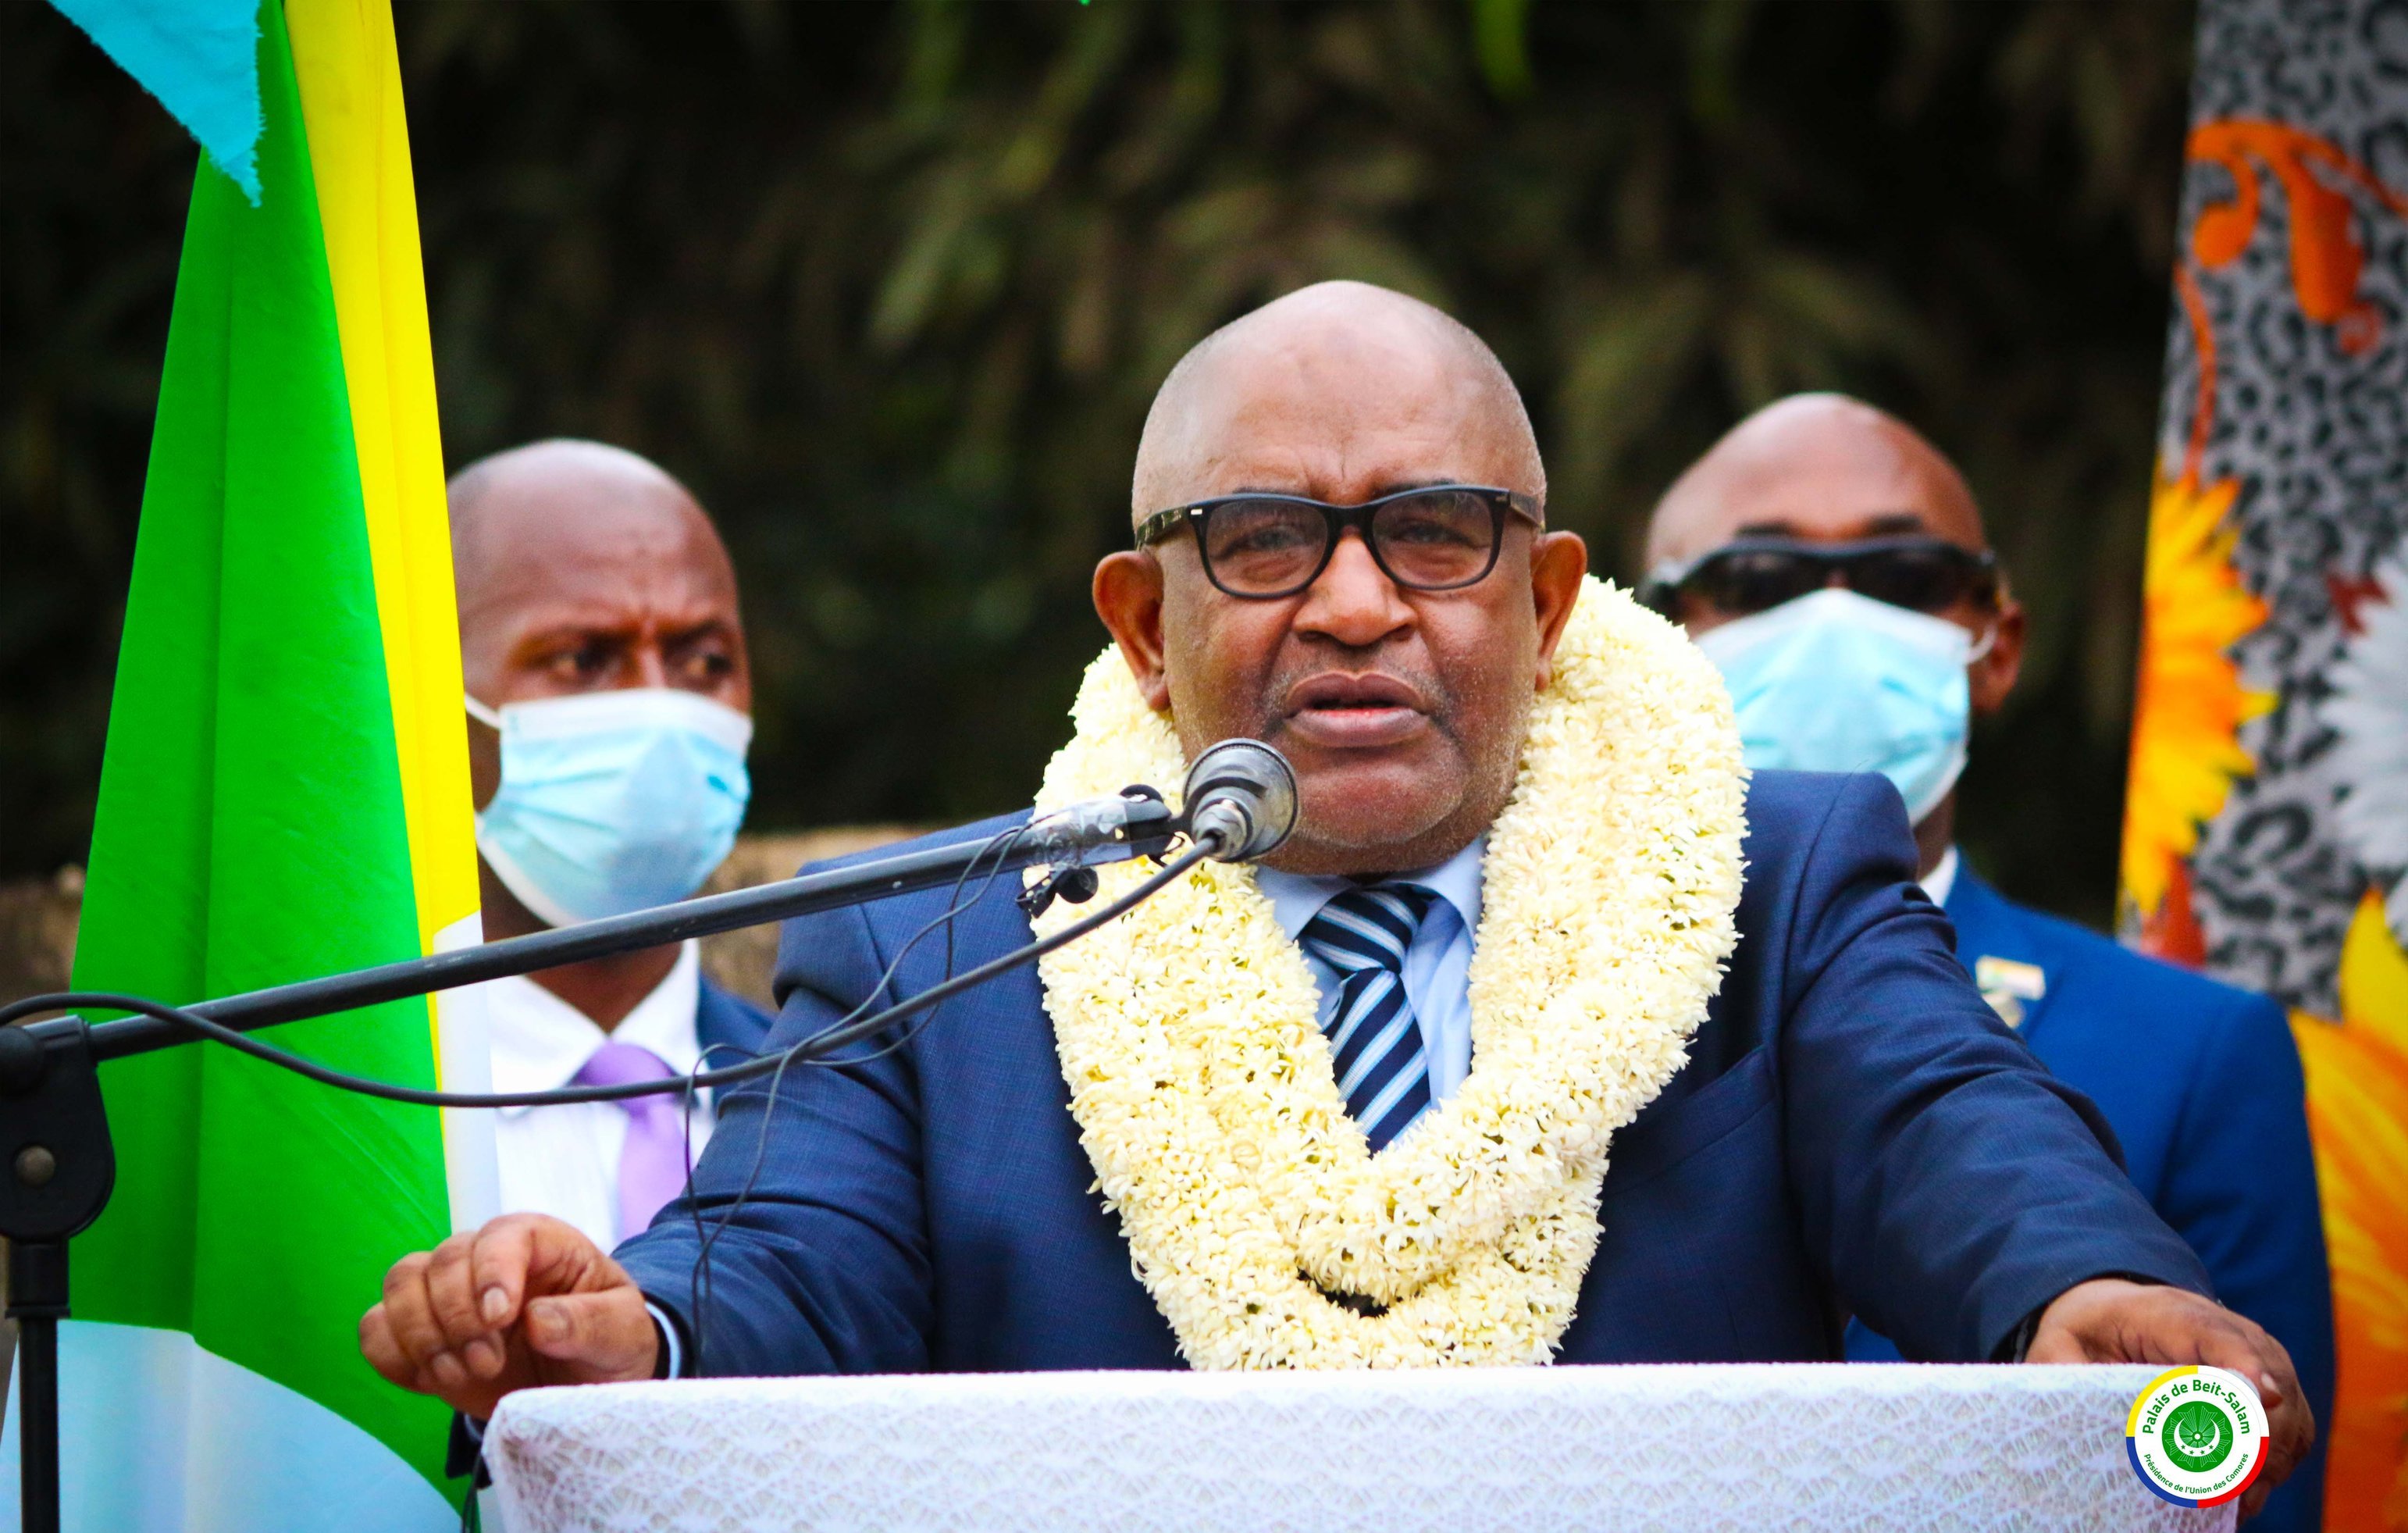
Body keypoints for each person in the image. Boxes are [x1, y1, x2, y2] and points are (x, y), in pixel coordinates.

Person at [365, 287, 2312, 1518]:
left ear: (1545, 603)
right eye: (1266, 540)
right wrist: (639, 1334)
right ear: (1146, 626)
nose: (1359, 604)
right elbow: (785, 1262)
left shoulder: (1771, 872)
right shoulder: (938, 942)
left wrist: (2075, 1287)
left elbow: (1949, 1128)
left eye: (1436, 535)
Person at [1643, 393, 2334, 1530]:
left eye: (1905, 577)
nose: (1837, 619)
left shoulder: (2199, 1050)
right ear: (1653, 643)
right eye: (1759, 578)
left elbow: (2245, 1490)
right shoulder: (1526, 1003)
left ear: (1996, 646)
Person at [449, 440, 775, 1255]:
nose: (659, 707)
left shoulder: (834, 1096)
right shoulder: (338, 1118)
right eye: (583, 659)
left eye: (703, 660)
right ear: (428, 700)